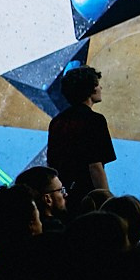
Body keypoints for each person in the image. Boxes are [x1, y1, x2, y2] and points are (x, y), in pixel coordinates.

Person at [47, 66, 116, 200]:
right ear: (90, 89)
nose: (100, 88)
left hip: (63, 196)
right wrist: (106, 200)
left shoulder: (57, 121)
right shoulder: (95, 121)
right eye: (97, 84)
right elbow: (95, 166)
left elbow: (52, 163)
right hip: (86, 198)